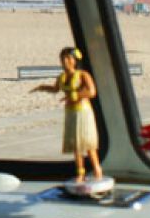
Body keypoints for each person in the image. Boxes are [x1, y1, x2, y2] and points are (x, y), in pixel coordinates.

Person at [32, 47, 103, 183]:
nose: (65, 61)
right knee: (76, 145)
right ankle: (80, 173)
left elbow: (91, 91)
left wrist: (75, 96)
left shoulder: (83, 75)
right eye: (63, 58)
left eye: (68, 58)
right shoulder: (62, 77)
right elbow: (55, 89)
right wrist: (42, 87)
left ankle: (97, 169)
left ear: (75, 60)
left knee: (88, 144)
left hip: (83, 112)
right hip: (70, 113)